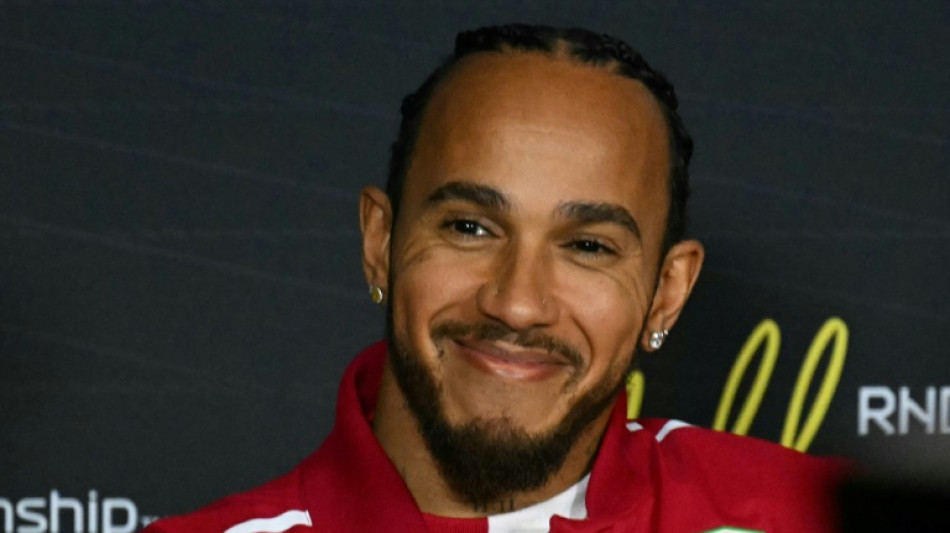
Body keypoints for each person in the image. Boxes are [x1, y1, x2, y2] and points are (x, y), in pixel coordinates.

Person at [145, 24, 849, 533]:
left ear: (667, 292)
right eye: (470, 228)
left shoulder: (817, 516)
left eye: (588, 246)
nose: (516, 303)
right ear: (380, 241)